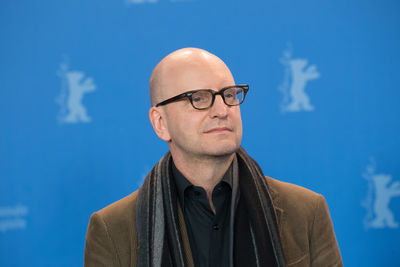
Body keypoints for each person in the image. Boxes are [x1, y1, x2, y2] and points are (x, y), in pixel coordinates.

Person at [84, 48, 343, 267]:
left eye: (229, 95)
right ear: (160, 122)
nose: (222, 110)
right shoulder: (111, 228)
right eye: (199, 98)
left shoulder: (307, 211)